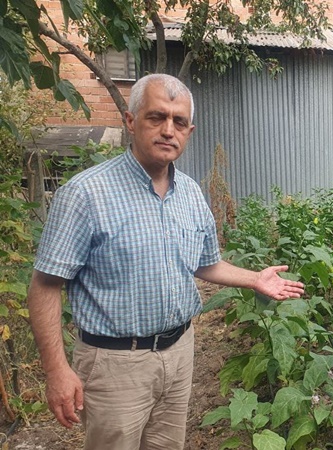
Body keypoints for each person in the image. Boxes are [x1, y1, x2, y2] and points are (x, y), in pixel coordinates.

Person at [27, 73, 304, 450]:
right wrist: (57, 370)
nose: (168, 130)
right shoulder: (86, 194)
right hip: (115, 364)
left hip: (179, 353)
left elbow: (205, 264)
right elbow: (45, 285)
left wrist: (255, 278)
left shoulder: (189, 193)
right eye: (156, 117)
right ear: (131, 121)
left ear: (190, 130)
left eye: (178, 121)